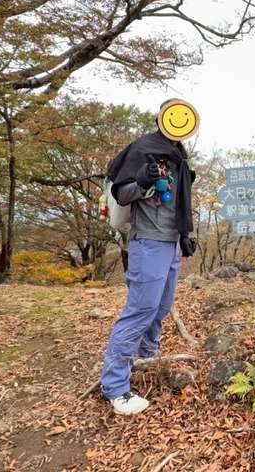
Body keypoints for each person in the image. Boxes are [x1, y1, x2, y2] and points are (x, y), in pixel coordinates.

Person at [100, 100, 197, 415]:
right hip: (148, 242)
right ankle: (116, 387)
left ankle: (145, 358)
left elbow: (180, 201)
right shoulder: (143, 149)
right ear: (161, 118)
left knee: (161, 307)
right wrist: (142, 179)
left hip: (170, 243)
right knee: (140, 310)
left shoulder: (178, 154)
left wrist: (186, 233)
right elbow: (122, 193)